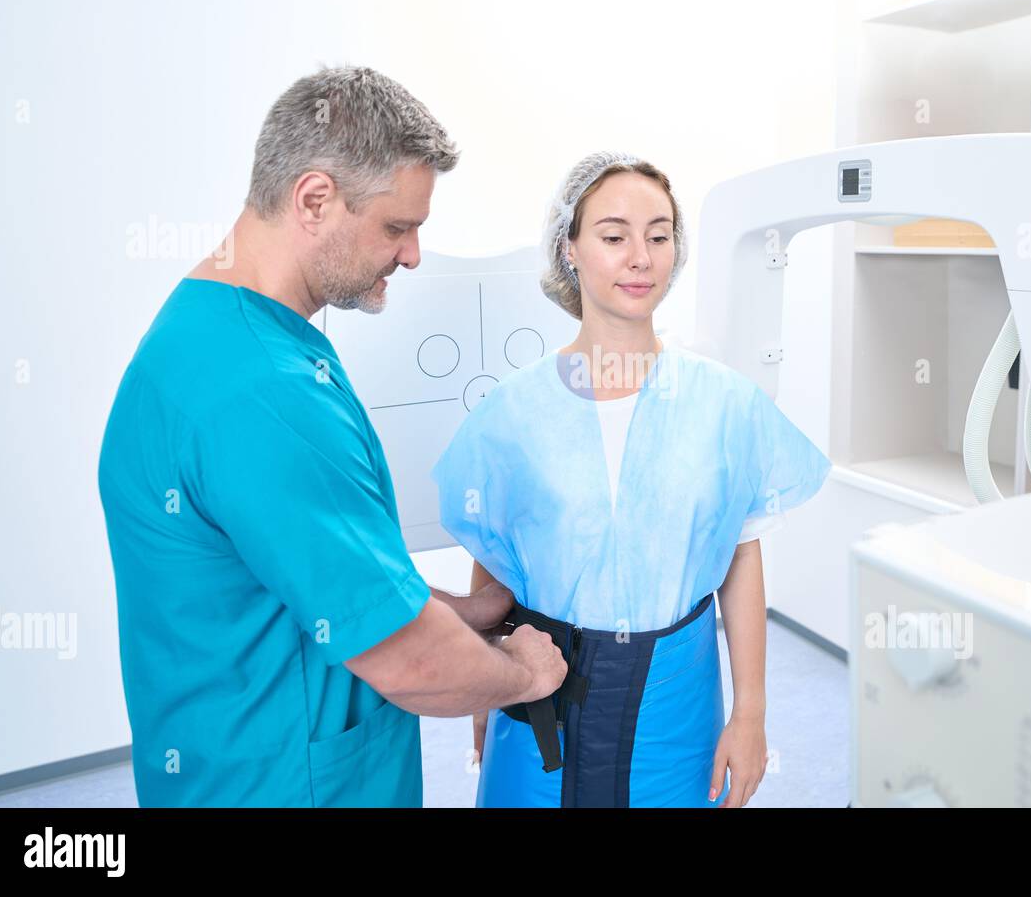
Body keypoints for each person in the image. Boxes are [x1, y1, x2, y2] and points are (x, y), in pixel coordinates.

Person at [97, 67, 565, 807]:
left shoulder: (212, 334)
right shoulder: (263, 391)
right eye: (396, 227)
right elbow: (410, 663)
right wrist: (524, 673)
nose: (412, 254)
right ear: (314, 199)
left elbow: (314, 570)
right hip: (289, 786)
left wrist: (467, 612)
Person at [431, 152, 831, 807]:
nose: (640, 257)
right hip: (538, 705)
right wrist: (483, 692)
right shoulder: (513, 413)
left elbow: (740, 551)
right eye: (614, 236)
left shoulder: (723, 405)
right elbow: (496, 562)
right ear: (571, 248)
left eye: (660, 234)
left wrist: (751, 713)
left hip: (675, 713)